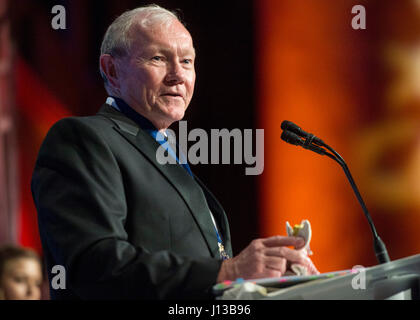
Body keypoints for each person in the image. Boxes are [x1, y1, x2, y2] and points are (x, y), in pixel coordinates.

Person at [31, 4, 318, 300]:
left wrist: (265, 281)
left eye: (187, 61)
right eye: (158, 58)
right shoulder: (84, 140)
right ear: (111, 69)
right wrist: (228, 272)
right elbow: (94, 267)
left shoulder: (168, 151)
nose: (178, 75)